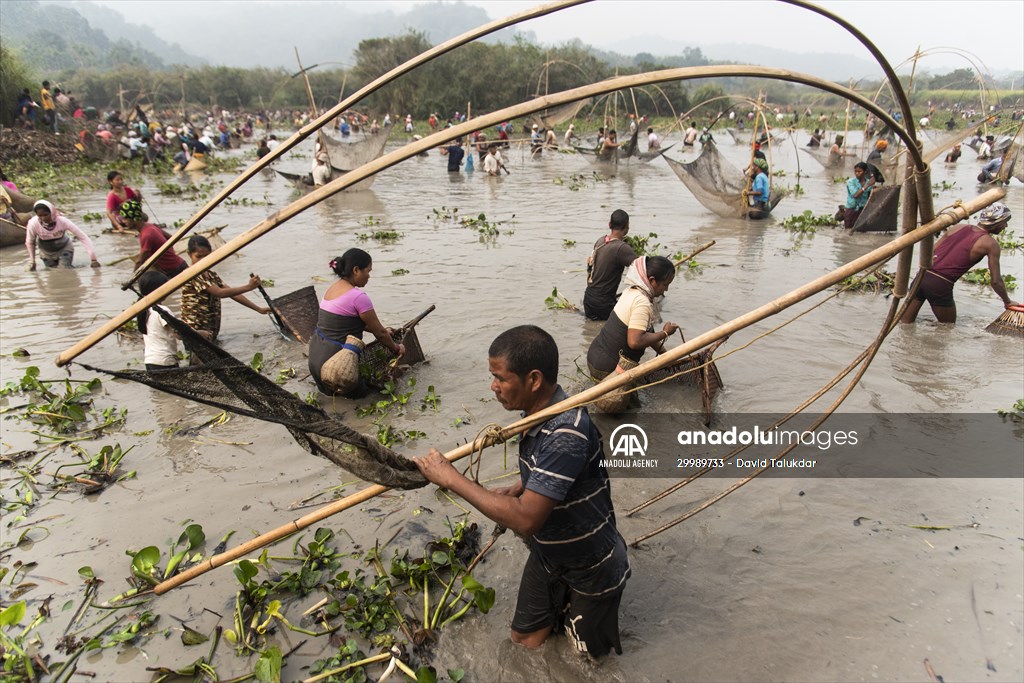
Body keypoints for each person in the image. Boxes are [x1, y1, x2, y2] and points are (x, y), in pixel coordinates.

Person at [413, 325, 630, 658]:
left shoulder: (566, 434)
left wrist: (452, 479)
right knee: (523, 642)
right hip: (549, 556)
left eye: (501, 378)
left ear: (533, 380)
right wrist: (519, 488)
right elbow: (551, 477)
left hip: (591, 565)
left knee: (585, 660)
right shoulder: (536, 416)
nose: (493, 386)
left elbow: (527, 520)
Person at [307, 248, 405, 398]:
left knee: (335, 399)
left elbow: (348, 323)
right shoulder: (358, 297)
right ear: (356, 270)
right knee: (371, 398)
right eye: (368, 271)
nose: (369, 276)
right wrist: (397, 348)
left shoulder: (331, 289)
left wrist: (384, 332)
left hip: (316, 361)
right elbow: (380, 333)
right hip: (337, 366)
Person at [901, 202, 1018, 324]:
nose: (1005, 226)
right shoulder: (990, 244)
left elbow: (930, 252)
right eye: (1004, 222)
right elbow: (996, 281)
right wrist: (1007, 301)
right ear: (996, 222)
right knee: (947, 328)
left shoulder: (957, 227)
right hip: (940, 283)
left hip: (922, 276)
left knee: (905, 323)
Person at [587, 256, 679, 379]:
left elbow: (647, 331)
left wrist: (665, 355)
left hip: (594, 358)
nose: (665, 290)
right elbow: (635, 342)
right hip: (608, 368)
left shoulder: (631, 291)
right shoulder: (642, 302)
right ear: (652, 280)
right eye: (665, 284)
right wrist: (665, 333)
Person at [180, 235, 269, 342]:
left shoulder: (211, 274)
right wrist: (249, 287)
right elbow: (220, 293)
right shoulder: (193, 274)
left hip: (210, 330)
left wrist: (258, 309)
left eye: (206, 256)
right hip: (197, 330)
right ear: (189, 254)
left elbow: (232, 293)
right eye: (198, 257)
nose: (202, 260)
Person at [583, 209, 638, 321]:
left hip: (588, 299)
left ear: (609, 224)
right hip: (603, 304)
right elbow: (640, 268)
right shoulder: (622, 248)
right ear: (627, 227)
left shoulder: (600, 241)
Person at [24, 200, 100, 271]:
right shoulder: (33, 224)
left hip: (64, 248)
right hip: (46, 252)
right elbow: (30, 242)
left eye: (46, 215)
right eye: (40, 216)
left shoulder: (62, 221)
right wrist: (32, 261)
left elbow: (82, 237)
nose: (43, 218)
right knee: (51, 272)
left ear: (51, 212)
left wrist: (93, 259)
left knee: (64, 270)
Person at [120, 199, 187, 277]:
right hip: (179, 265)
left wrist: (132, 278)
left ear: (134, 219)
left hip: (175, 270)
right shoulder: (150, 226)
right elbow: (171, 238)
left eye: (125, 219)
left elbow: (140, 262)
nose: (123, 222)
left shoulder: (146, 234)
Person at [136, 270, 180, 371]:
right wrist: (199, 333)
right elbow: (179, 333)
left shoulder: (143, 309)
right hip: (165, 361)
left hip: (150, 361)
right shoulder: (162, 311)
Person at [843, 162, 876, 229]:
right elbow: (855, 195)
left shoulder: (869, 182)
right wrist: (867, 185)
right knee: (848, 231)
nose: (857, 173)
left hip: (862, 211)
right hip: (851, 210)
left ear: (865, 172)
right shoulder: (851, 182)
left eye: (859, 171)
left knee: (861, 231)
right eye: (855, 171)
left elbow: (871, 197)